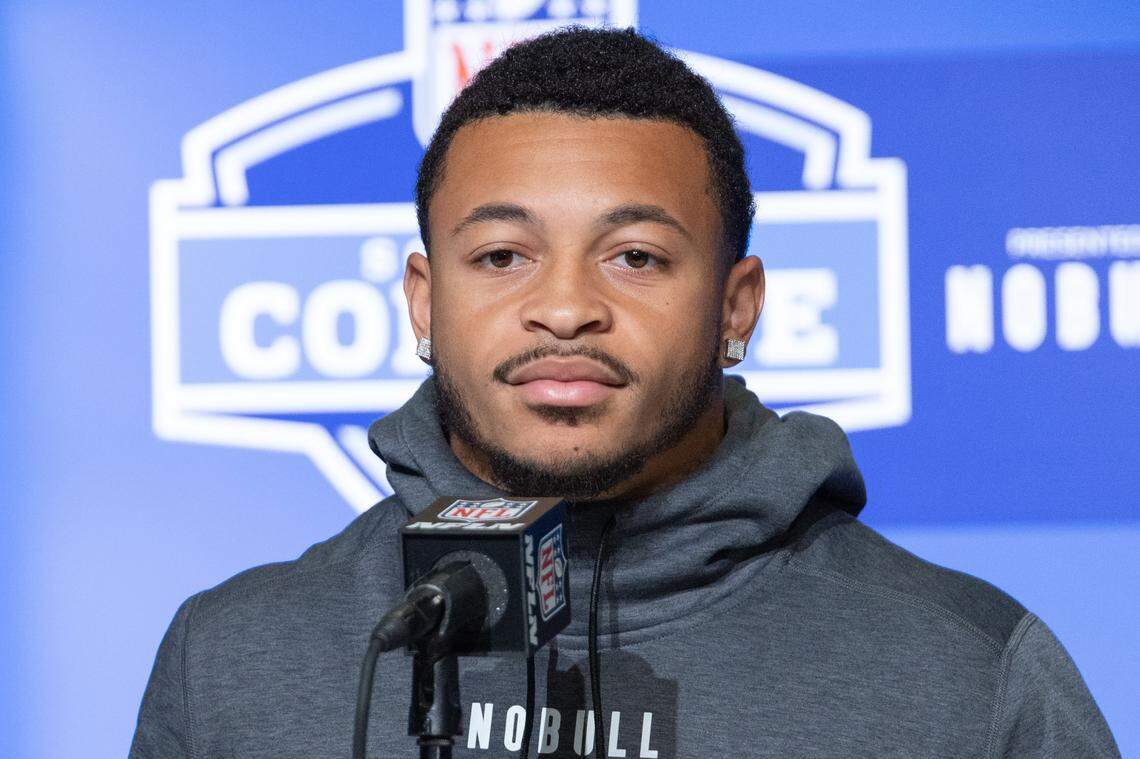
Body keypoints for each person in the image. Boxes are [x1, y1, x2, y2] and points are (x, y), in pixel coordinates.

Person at [130, 27, 1120, 758]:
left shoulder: (969, 678)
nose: (564, 308)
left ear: (736, 307)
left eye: (636, 256)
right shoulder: (230, 662)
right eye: (503, 255)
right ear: (424, 304)